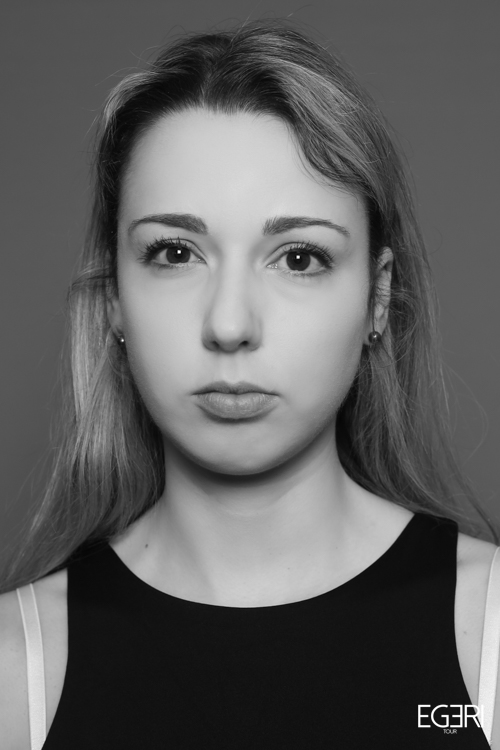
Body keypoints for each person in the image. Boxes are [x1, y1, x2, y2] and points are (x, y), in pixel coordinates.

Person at [0, 19, 499, 749]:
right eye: (175, 252)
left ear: (378, 297)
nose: (229, 324)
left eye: (298, 258)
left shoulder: (490, 645)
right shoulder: (16, 674)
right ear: (113, 300)